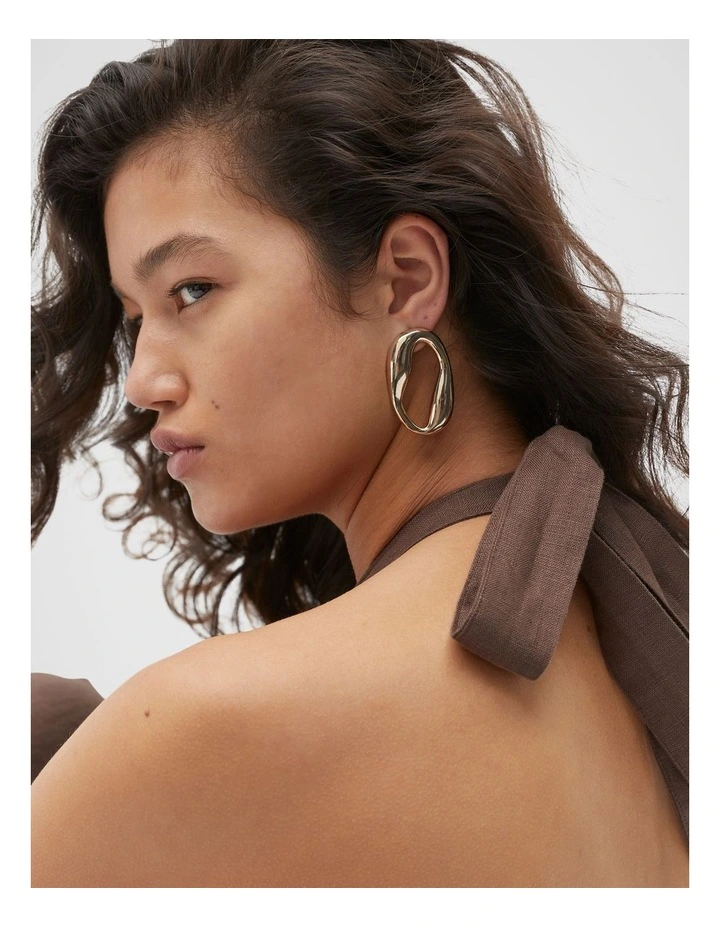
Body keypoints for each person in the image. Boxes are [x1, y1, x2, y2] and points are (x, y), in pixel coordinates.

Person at [30, 40, 689, 887]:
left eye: (192, 291)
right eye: (134, 320)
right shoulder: (651, 638)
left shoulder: (213, 727)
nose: (143, 381)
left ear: (405, 279)